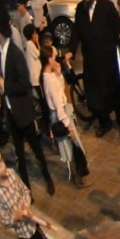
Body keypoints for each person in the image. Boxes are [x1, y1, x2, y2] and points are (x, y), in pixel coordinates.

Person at [0, 147, 80, 239]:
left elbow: (25, 191)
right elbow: (4, 221)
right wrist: (14, 217)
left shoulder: (11, 173)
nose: (3, 165)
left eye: (2, 160)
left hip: (34, 227)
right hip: (24, 236)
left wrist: (26, 204)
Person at [0, 6, 54, 195]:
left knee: (37, 151)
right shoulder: (0, 52)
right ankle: (27, 190)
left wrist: (5, 86)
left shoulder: (15, 53)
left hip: (24, 112)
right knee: (19, 155)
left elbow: (24, 85)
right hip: (11, 112)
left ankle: (48, 179)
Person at [66, 0, 120, 138]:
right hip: (90, 60)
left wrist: (108, 41)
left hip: (107, 59)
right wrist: (71, 51)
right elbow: (76, 31)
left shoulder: (106, 7)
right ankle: (104, 122)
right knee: (95, 95)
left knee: (115, 92)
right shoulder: (80, 9)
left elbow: (117, 25)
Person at [41, 46, 89, 189]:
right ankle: (77, 177)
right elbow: (58, 104)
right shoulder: (49, 79)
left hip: (60, 114)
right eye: (55, 57)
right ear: (49, 59)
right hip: (61, 116)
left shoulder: (48, 76)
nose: (57, 60)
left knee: (70, 145)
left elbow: (60, 90)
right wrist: (68, 125)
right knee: (70, 145)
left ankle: (77, 175)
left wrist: (59, 74)